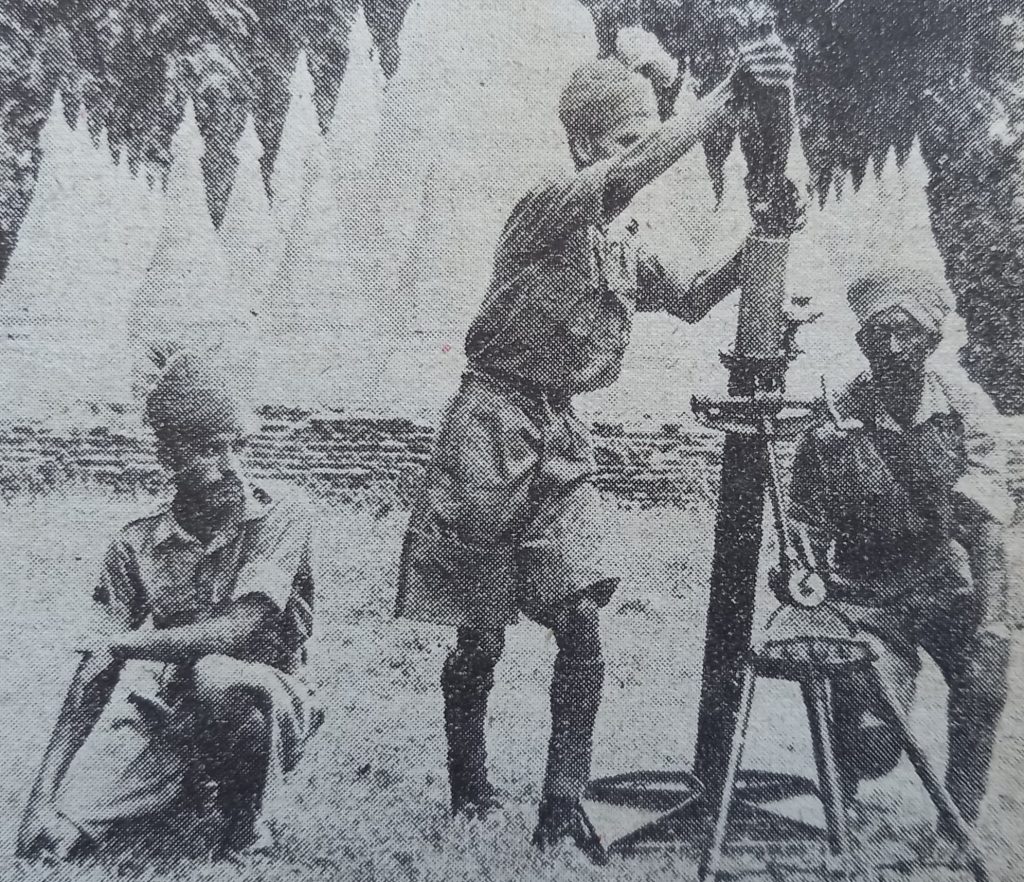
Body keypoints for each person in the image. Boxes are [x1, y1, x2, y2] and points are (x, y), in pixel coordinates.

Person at [395, 34, 798, 853]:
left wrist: (765, 238)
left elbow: (687, 298)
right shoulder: (546, 204)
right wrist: (722, 100)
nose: (643, 153)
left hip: (561, 435)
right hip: (490, 427)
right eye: (626, 138)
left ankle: (561, 803)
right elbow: (629, 173)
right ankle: (469, 781)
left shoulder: (619, 244)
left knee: (581, 619)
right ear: (583, 146)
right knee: (481, 632)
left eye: (648, 135)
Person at [17, 350, 321, 860]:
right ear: (169, 456)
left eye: (237, 448)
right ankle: (187, 787)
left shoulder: (283, 515)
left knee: (217, 676)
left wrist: (122, 644)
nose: (231, 467)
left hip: (272, 698)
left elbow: (238, 630)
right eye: (209, 450)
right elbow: (95, 667)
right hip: (173, 710)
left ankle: (246, 830)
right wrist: (40, 799)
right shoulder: (134, 543)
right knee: (64, 832)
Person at [788, 268, 1015, 833]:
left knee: (984, 681)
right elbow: (804, 523)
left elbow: (984, 526)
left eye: (906, 332)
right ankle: (843, 808)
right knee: (874, 733)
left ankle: (956, 824)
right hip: (865, 594)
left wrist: (992, 627)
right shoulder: (835, 417)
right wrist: (805, 578)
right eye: (878, 334)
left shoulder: (964, 410)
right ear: (862, 341)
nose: (892, 348)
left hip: (945, 579)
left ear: (931, 339)